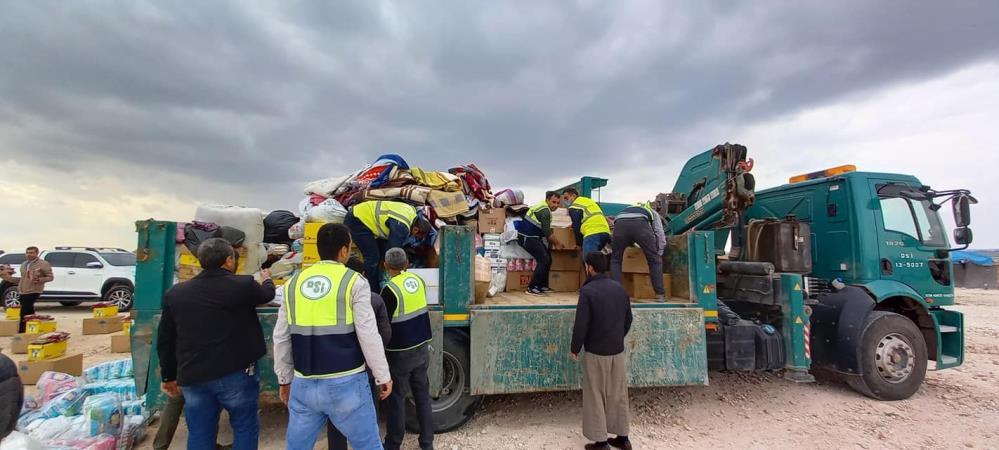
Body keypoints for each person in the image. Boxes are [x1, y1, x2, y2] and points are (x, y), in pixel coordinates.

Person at [273, 223, 392, 450]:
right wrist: (382, 375)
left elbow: (281, 336)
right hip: (346, 383)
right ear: (345, 250)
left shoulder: (293, 284)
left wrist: (284, 378)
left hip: (304, 383)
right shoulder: (353, 282)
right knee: (368, 446)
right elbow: (368, 334)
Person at [157, 238, 275, 450]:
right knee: (245, 426)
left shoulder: (176, 293)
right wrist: (267, 279)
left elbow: (165, 339)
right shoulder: (243, 285)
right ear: (229, 260)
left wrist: (168, 375)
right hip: (237, 373)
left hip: (194, 376)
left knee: (200, 430)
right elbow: (267, 294)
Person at [327, 256, 393, 450]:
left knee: (336, 412)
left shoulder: (333, 297)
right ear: (363, 275)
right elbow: (384, 334)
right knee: (368, 409)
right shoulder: (374, 299)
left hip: (340, 364)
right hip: (366, 365)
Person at [570, 252, 633, 450]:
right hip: (617, 350)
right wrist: (617, 338)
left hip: (596, 352)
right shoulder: (619, 289)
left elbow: (582, 324)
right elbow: (628, 319)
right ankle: (623, 438)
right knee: (618, 393)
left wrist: (575, 348)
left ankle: (601, 442)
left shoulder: (587, 292)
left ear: (590, 268)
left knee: (595, 394)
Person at [379, 248, 435, 450]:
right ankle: (427, 443)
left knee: (397, 399)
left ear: (386, 266)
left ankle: (393, 444)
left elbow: (383, 323)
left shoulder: (389, 290)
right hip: (421, 348)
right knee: (422, 396)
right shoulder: (418, 281)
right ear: (407, 264)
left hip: (400, 353)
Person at [344, 200, 432, 292]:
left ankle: (376, 284)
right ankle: (372, 291)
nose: (416, 239)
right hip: (357, 220)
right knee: (372, 258)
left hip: (366, 217)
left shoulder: (412, 213)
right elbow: (393, 252)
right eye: (418, 237)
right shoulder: (402, 226)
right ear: (415, 229)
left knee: (381, 254)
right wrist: (402, 268)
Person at [610, 201, 668, 301]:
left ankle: (616, 294)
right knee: (654, 261)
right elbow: (659, 232)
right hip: (640, 225)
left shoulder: (624, 211)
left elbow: (621, 233)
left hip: (620, 225)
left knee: (615, 260)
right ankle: (660, 294)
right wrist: (659, 253)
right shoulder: (653, 213)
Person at [515, 191, 562, 296]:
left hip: (532, 237)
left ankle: (542, 285)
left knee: (548, 258)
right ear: (547, 200)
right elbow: (547, 233)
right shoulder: (545, 211)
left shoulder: (543, 207)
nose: (556, 205)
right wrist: (558, 244)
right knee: (544, 259)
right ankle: (532, 287)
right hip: (528, 237)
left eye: (558, 203)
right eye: (554, 202)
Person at [0, 246, 54, 333]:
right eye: (27, 253)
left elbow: (50, 277)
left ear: (36, 253)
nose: (29, 254)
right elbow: (22, 279)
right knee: (29, 312)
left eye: (31, 252)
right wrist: (5, 276)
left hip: (34, 290)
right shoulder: (24, 264)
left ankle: (21, 332)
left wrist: (39, 280)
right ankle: (32, 330)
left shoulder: (43, 264)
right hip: (23, 290)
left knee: (24, 312)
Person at [562, 189, 611, 256]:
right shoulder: (587, 201)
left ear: (573, 196)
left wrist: (579, 244)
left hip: (592, 233)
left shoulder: (574, 206)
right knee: (596, 260)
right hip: (605, 232)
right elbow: (588, 217)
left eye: (566, 198)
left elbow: (577, 226)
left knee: (589, 260)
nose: (565, 201)